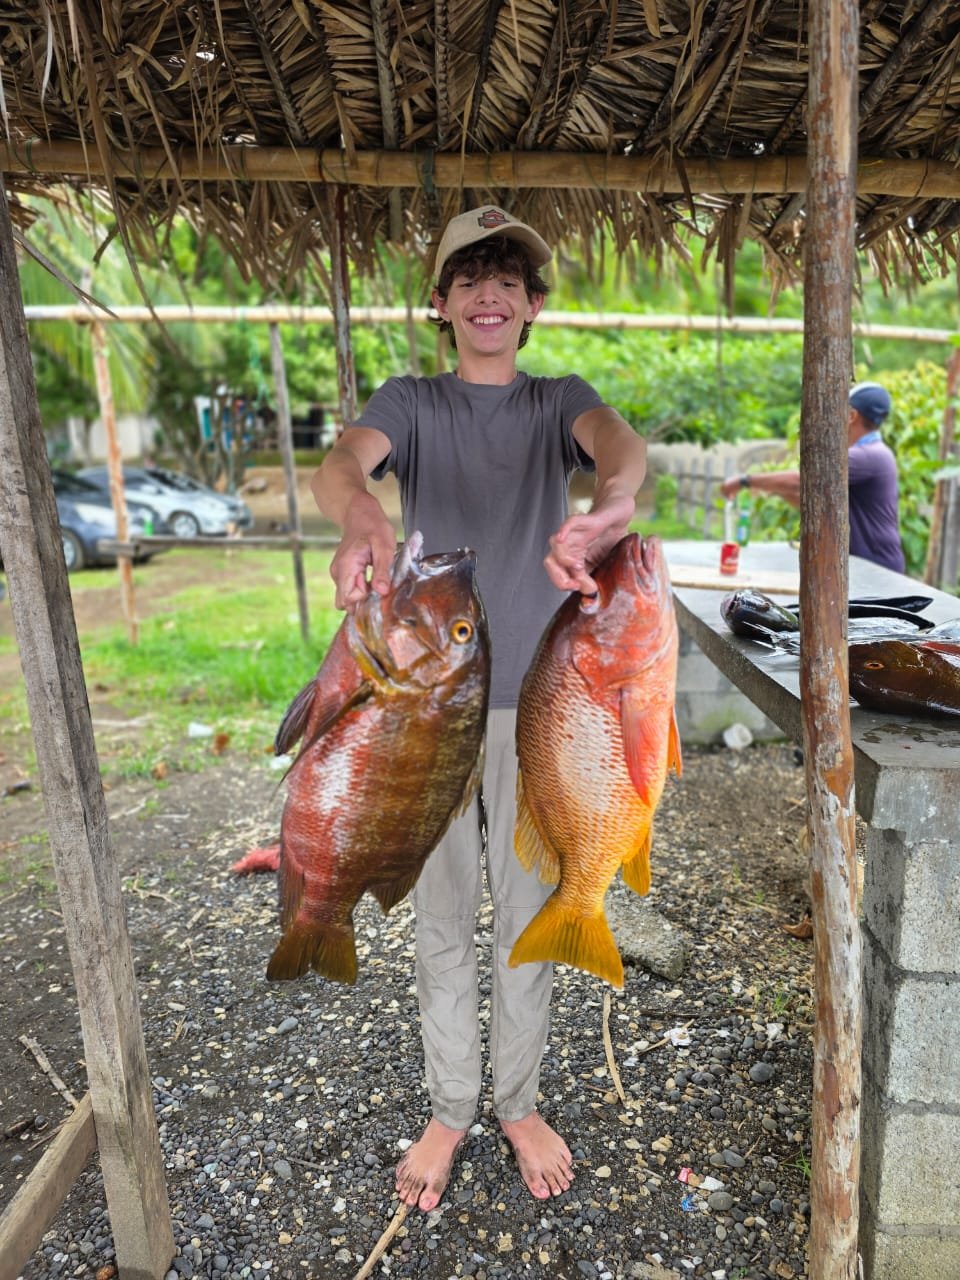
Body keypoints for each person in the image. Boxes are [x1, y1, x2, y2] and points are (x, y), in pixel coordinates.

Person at [310, 205, 647, 1212]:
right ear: (442, 304)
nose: (490, 292)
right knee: (445, 909)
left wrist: (615, 499)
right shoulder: (411, 401)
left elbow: (617, 444)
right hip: (426, 700)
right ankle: (454, 1103)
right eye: (470, 277)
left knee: (540, 900)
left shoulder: (559, 402)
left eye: (510, 278)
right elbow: (343, 460)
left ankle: (521, 1097)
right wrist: (363, 511)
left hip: (548, 702)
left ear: (534, 306)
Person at [720, 381, 904, 572]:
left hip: (877, 567)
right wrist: (774, 489)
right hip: (869, 564)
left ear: (852, 416)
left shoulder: (868, 456)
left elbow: (804, 480)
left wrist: (745, 481)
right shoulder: (873, 454)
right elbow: (814, 505)